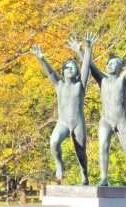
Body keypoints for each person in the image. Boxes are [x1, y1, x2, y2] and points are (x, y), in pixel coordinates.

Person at [69, 31, 126, 186]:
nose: (109, 66)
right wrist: (80, 50)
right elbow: (90, 65)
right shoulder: (103, 80)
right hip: (106, 120)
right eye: (108, 64)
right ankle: (104, 178)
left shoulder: (123, 81)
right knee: (102, 146)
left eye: (113, 64)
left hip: (121, 119)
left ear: (119, 68)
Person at [31, 33, 97, 186]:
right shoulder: (59, 85)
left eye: (73, 68)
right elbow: (50, 72)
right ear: (63, 72)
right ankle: (59, 163)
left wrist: (87, 48)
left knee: (81, 153)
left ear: (77, 72)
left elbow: (86, 66)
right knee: (53, 142)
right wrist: (41, 58)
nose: (70, 69)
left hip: (78, 123)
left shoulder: (80, 85)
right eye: (67, 68)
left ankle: (84, 174)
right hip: (63, 123)